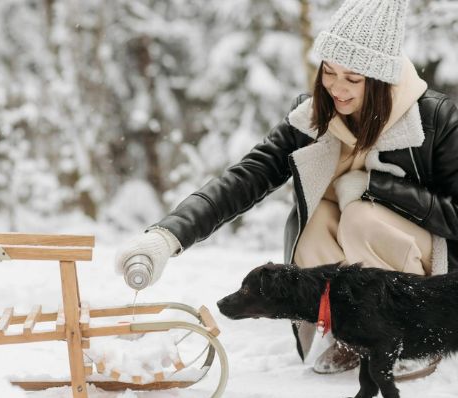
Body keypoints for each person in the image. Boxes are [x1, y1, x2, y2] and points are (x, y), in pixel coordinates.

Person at [115, 0, 458, 376]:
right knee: (315, 221)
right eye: (329, 72)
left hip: (424, 277)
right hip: (361, 275)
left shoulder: (436, 120)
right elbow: (247, 176)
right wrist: (168, 236)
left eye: (353, 79)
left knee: (361, 216)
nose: (337, 89)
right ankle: (354, 336)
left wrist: (380, 188)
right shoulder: (311, 118)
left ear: (381, 80)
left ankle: (404, 337)